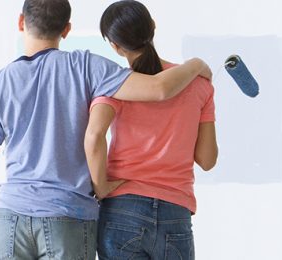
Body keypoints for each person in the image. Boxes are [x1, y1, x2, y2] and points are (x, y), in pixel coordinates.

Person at [0, 0, 212, 259]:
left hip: (12, 216)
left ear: (21, 22)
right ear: (67, 29)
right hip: (70, 216)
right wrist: (197, 65)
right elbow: (159, 88)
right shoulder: (88, 68)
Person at [83, 1, 218, 259]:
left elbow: (93, 136)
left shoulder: (115, 85)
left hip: (121, 208)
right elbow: (207, 160)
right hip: (175, 211)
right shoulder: (200, 85)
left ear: (114, 45)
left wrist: (101, 187)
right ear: (153, 26)